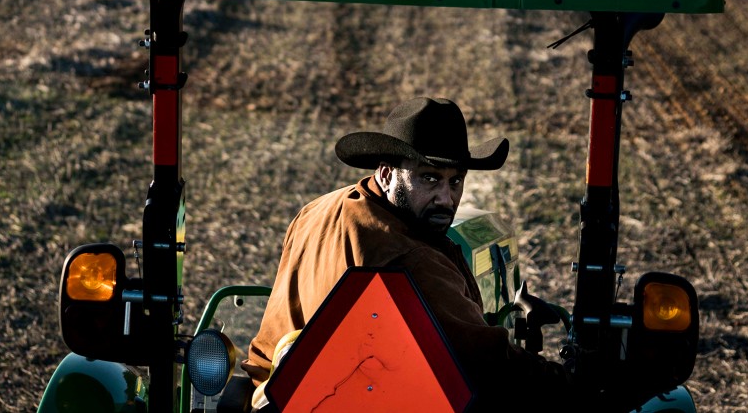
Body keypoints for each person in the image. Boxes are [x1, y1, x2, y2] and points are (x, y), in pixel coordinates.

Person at [241, 97, 598, 411]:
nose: (446, 199)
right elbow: (486, 363)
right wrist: (567, 382)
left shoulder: (316, 212)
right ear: (385, 173)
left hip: (280, 397)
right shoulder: (410, 258)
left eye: (455, 181)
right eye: (429, 178)